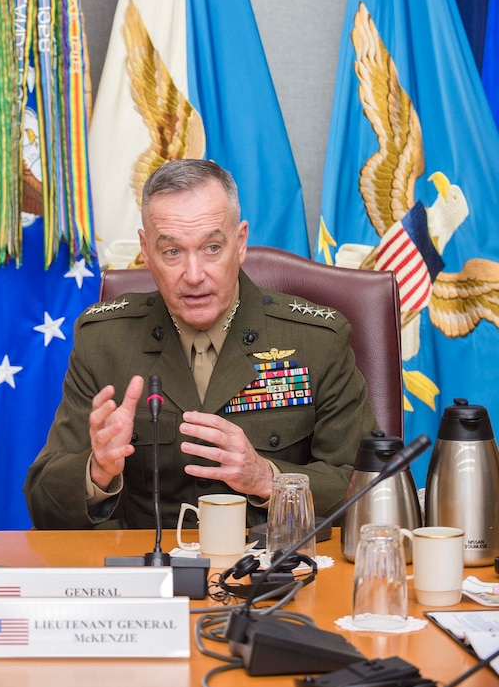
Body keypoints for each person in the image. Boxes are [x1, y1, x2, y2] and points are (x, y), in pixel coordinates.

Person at [25, 159, 377, 530]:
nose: (194, 276)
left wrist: (266, 478)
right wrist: (97, 473)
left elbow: (365, 488)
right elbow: (42, 503)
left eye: (211, 248)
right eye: (173, 252)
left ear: (240, 243)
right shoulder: (104, 341)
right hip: (151, 571)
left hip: (270, 569)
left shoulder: (316, 340)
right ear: (146, 250)